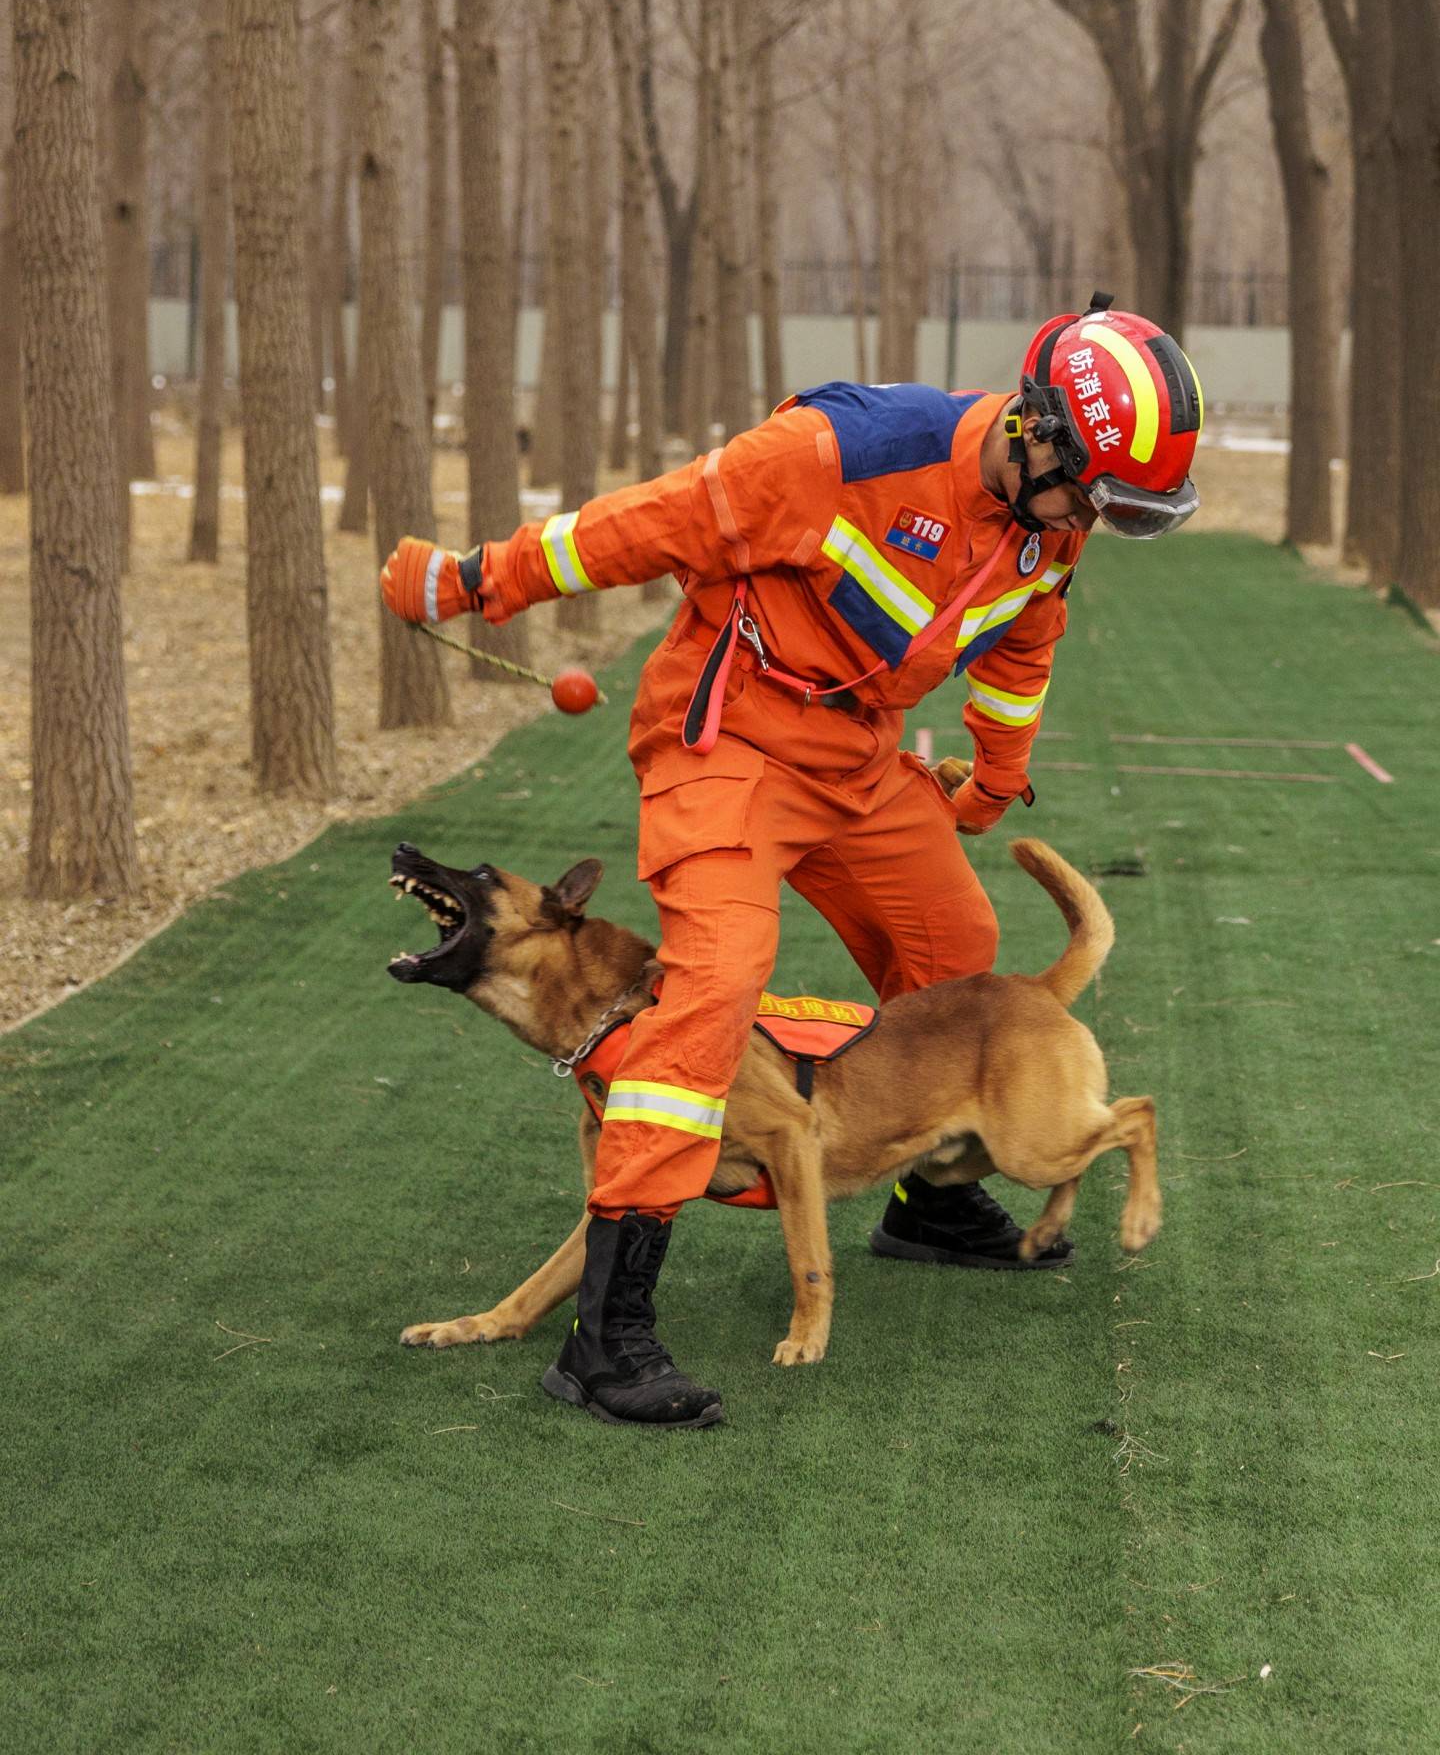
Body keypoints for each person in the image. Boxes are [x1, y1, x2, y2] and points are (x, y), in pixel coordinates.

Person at [381, 295, 1203, 1428]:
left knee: (955, 946)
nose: (1091, 526)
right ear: (1035, 430)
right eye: (1092, 497)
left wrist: (994, 779)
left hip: (856, 753)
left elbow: (1020, 647)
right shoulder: (847, 450)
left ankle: (928, 1201)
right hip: (727, 736)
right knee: (713, 987)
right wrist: (481, 580)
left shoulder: (1047, 530)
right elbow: (655, 520)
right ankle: (606, 1338)